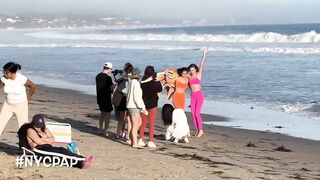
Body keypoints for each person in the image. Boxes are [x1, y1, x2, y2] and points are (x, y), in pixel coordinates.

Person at [18, 114, 94, 169]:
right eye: (37, 126)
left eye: (40, 125)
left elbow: (53, 139)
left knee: (60, 156)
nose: (38, 128)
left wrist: (42, 139)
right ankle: (83, 158)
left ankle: (80, 164)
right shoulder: (30, 130)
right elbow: (39, 142)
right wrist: (46, 139)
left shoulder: (44, 129)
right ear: (33, 123)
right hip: (39, 151)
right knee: (60, 152)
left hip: (47, 147)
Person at [0, 62, 36, 136]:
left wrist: (28, 98)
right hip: (8, 105)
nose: (5, 74)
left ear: (13, 73)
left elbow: (33, 87)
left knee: (23, 127)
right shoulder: (4, 78)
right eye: (3, 71)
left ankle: (26, 145)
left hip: (21, 106)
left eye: (7, 72)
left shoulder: (21, 79)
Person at [139, 66, 163, 148]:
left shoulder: (142, 83)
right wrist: (158, 81)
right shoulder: (154, 82)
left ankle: (140, 139)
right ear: (153, 73)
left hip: (144, 104)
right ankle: (150, 140)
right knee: (151, 123)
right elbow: (160, 89)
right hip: (152, 104)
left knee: (143, 123)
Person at [188, 48, 208, 137]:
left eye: (193, 70)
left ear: (196, 69)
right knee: (193, 114)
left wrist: (204, 54)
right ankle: (197, 130)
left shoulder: (198, 75)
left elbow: (201, 64)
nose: (192, 71)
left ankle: (201, 130)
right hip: (193, 96)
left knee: (197, 113)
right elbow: (180, 73)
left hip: (199, 95)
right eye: (191, 70)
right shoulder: (189, 76)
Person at [126, 68, 148, 148]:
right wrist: (143, 108)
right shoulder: (136, 84)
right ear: (138, 75)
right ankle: (134, 143)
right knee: (135, 125)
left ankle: (133, 141)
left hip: (130, 106)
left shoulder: (130, 82)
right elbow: (137, 98)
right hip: (134, 106)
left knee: (137, 124)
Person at [113, 63, 133, 140]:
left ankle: (119, 134)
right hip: (128, 98)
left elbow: (116, 81)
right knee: (129, 119)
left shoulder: (122, 77)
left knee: (122, 119)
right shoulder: (132, 78)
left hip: (122, 98)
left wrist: (118, 74)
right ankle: (127, 135)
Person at [95, 62, 115, 136]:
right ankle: (105, 130)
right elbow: (111, 88)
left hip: (99, 97)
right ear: (109, 69)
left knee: (102, 113)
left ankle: (100, 129)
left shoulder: (98, 76)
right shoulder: (108, 78)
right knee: (108, 114)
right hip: (106, 98)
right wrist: (114, 85)